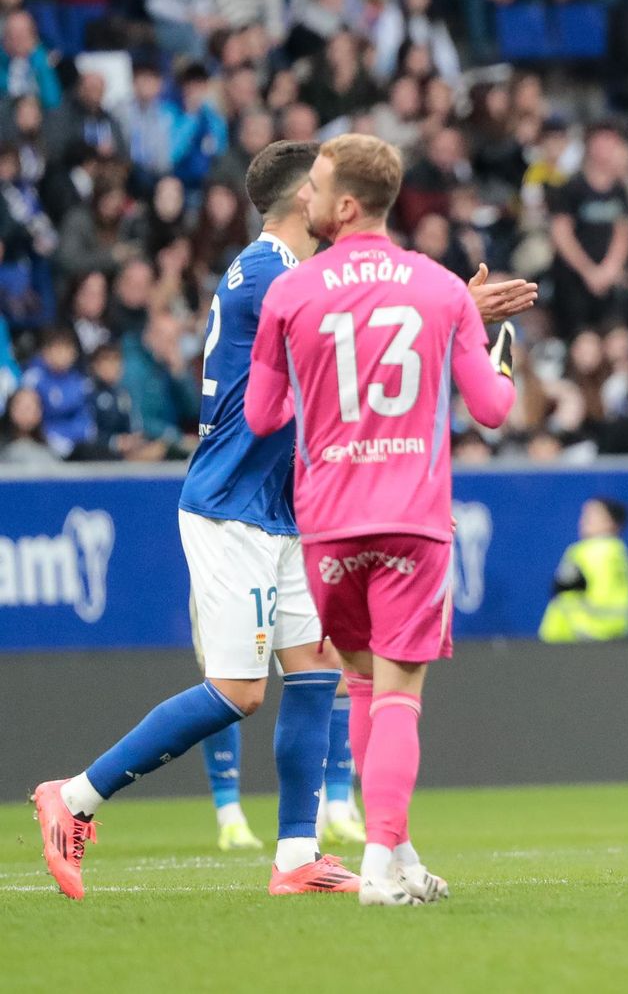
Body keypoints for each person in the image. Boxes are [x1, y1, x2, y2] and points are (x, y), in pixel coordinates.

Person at [32, 143, 359, 900]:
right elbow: (352, 329)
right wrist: (452, 309)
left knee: (315, 672)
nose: (342, 208)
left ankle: (296, 857)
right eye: (331, 192)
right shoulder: (266, 276)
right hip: (231, 507)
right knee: (239, 692)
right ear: (300, 198)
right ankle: (73, 798)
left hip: (280, 506)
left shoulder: (287, 273)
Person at [243, 133, 519, 906]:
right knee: (396, 691)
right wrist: (502, 359)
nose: (307, 197)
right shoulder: (439, 290)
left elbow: (263, 415)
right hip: (412, 519)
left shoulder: (290, 294)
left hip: (329, 521)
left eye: (319, 184)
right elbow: (493, 410)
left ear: (348, 205)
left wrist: (324, 392)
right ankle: (377, 866)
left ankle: (392, 853)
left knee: (360, 682)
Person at [538, 497, 628, 643]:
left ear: (611, 522)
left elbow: (562, 590)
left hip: (579, 635)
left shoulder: (585, 552)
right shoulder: (620, 553)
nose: (583, 521)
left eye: (593, 516)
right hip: (618, 632)